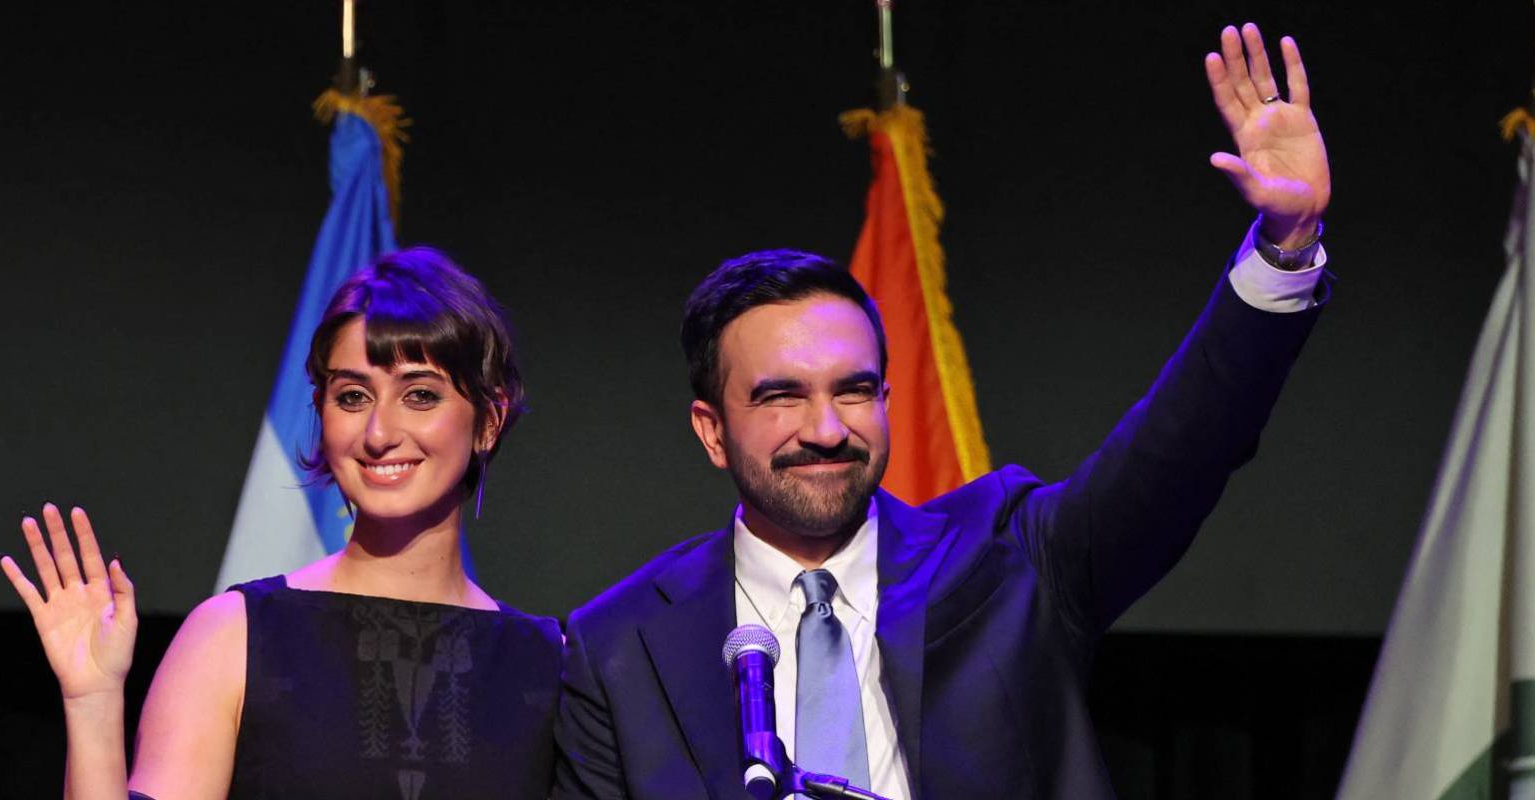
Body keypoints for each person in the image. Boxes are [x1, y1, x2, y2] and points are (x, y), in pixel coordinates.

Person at [553, 23, 1331, 800]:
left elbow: (1179, 453)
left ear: (887, 400)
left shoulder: (1009, 560)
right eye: (782, 395)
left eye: (853, 390)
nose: (827, 430)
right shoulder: (619, 646)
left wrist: (1282, 247)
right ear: (711, 430)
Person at [1, 248, 561, 800]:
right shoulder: (234, 635)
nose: (378, 432)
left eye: (419, 395)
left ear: (489, 420)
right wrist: (93, 701)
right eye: (352, 396)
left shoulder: (550, 663)